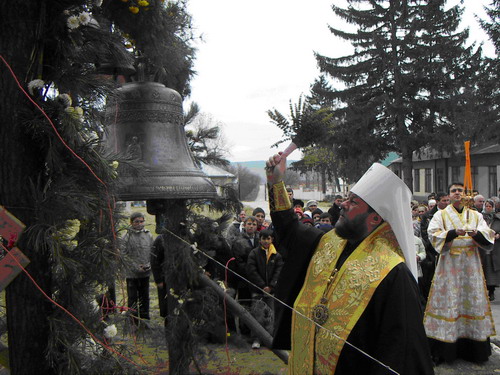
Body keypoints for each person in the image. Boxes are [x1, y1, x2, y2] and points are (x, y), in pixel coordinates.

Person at [266, 153, 434, 375]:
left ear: (374, 219)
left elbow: (400, 351)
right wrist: (276, 182)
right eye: (347, 198)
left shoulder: (392, 272)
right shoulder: (327, 241)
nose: (343, 204)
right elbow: (288, 228)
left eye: (353, 202)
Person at [424, 182, 496, 364]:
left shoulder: (475, 215)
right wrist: (453, 233)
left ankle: (474, 351)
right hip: (449, 265)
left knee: (472, 301)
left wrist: (475, 234)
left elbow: (488, 233)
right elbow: (432, 233)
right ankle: (443, 350)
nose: (457, 193)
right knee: (448, 302)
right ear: (449, 194)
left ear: (466, 194)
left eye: (460, 191)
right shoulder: (441, 215)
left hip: (471, 265)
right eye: (454, 191)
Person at [246, 229, 284, 349]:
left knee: (271, 315)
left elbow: (279, 272)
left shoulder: (276, 255)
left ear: (272, 239)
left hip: (272, 292)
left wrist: (271, 286)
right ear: (260, 239)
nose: (266, 241)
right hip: (257, 290)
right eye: (264, 238)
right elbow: (251, 271)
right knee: (257, 314)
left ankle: (269, 338)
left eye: (268, 239)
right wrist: (262, 286)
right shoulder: (254, 253)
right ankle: (256, 338)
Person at [121, 212, 153, 325]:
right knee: (132, 298)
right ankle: (133, 322)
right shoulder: (126, 236)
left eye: (141, 221)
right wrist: (135, 266)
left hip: (145, 273)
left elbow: (152, 253)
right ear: (131, 223)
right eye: (137, 222)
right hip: (132, 274)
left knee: (145, 297)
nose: (139, 224)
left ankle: (145, 321)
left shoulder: (148, 235)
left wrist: (148, 265)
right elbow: (123, 255)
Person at [419, 192, 449, 302]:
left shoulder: (450, 213)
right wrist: (434, 246)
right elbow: (425, 234)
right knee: (431, 276)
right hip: (432, 251)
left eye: (447, 200)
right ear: (437, 201)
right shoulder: (428, 216)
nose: (446, 203)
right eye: (444, 201)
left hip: (448, 248)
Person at [479, 199, 500, 301]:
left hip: (494, 248)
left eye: (490, 207)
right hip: (482, 247)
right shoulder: (480, 218)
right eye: (486, 206)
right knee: (483, 268)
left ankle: (491, 291)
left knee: (492, 270)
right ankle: (483, 290)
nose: (488, 208)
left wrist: (498, 235)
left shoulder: (497, 219)